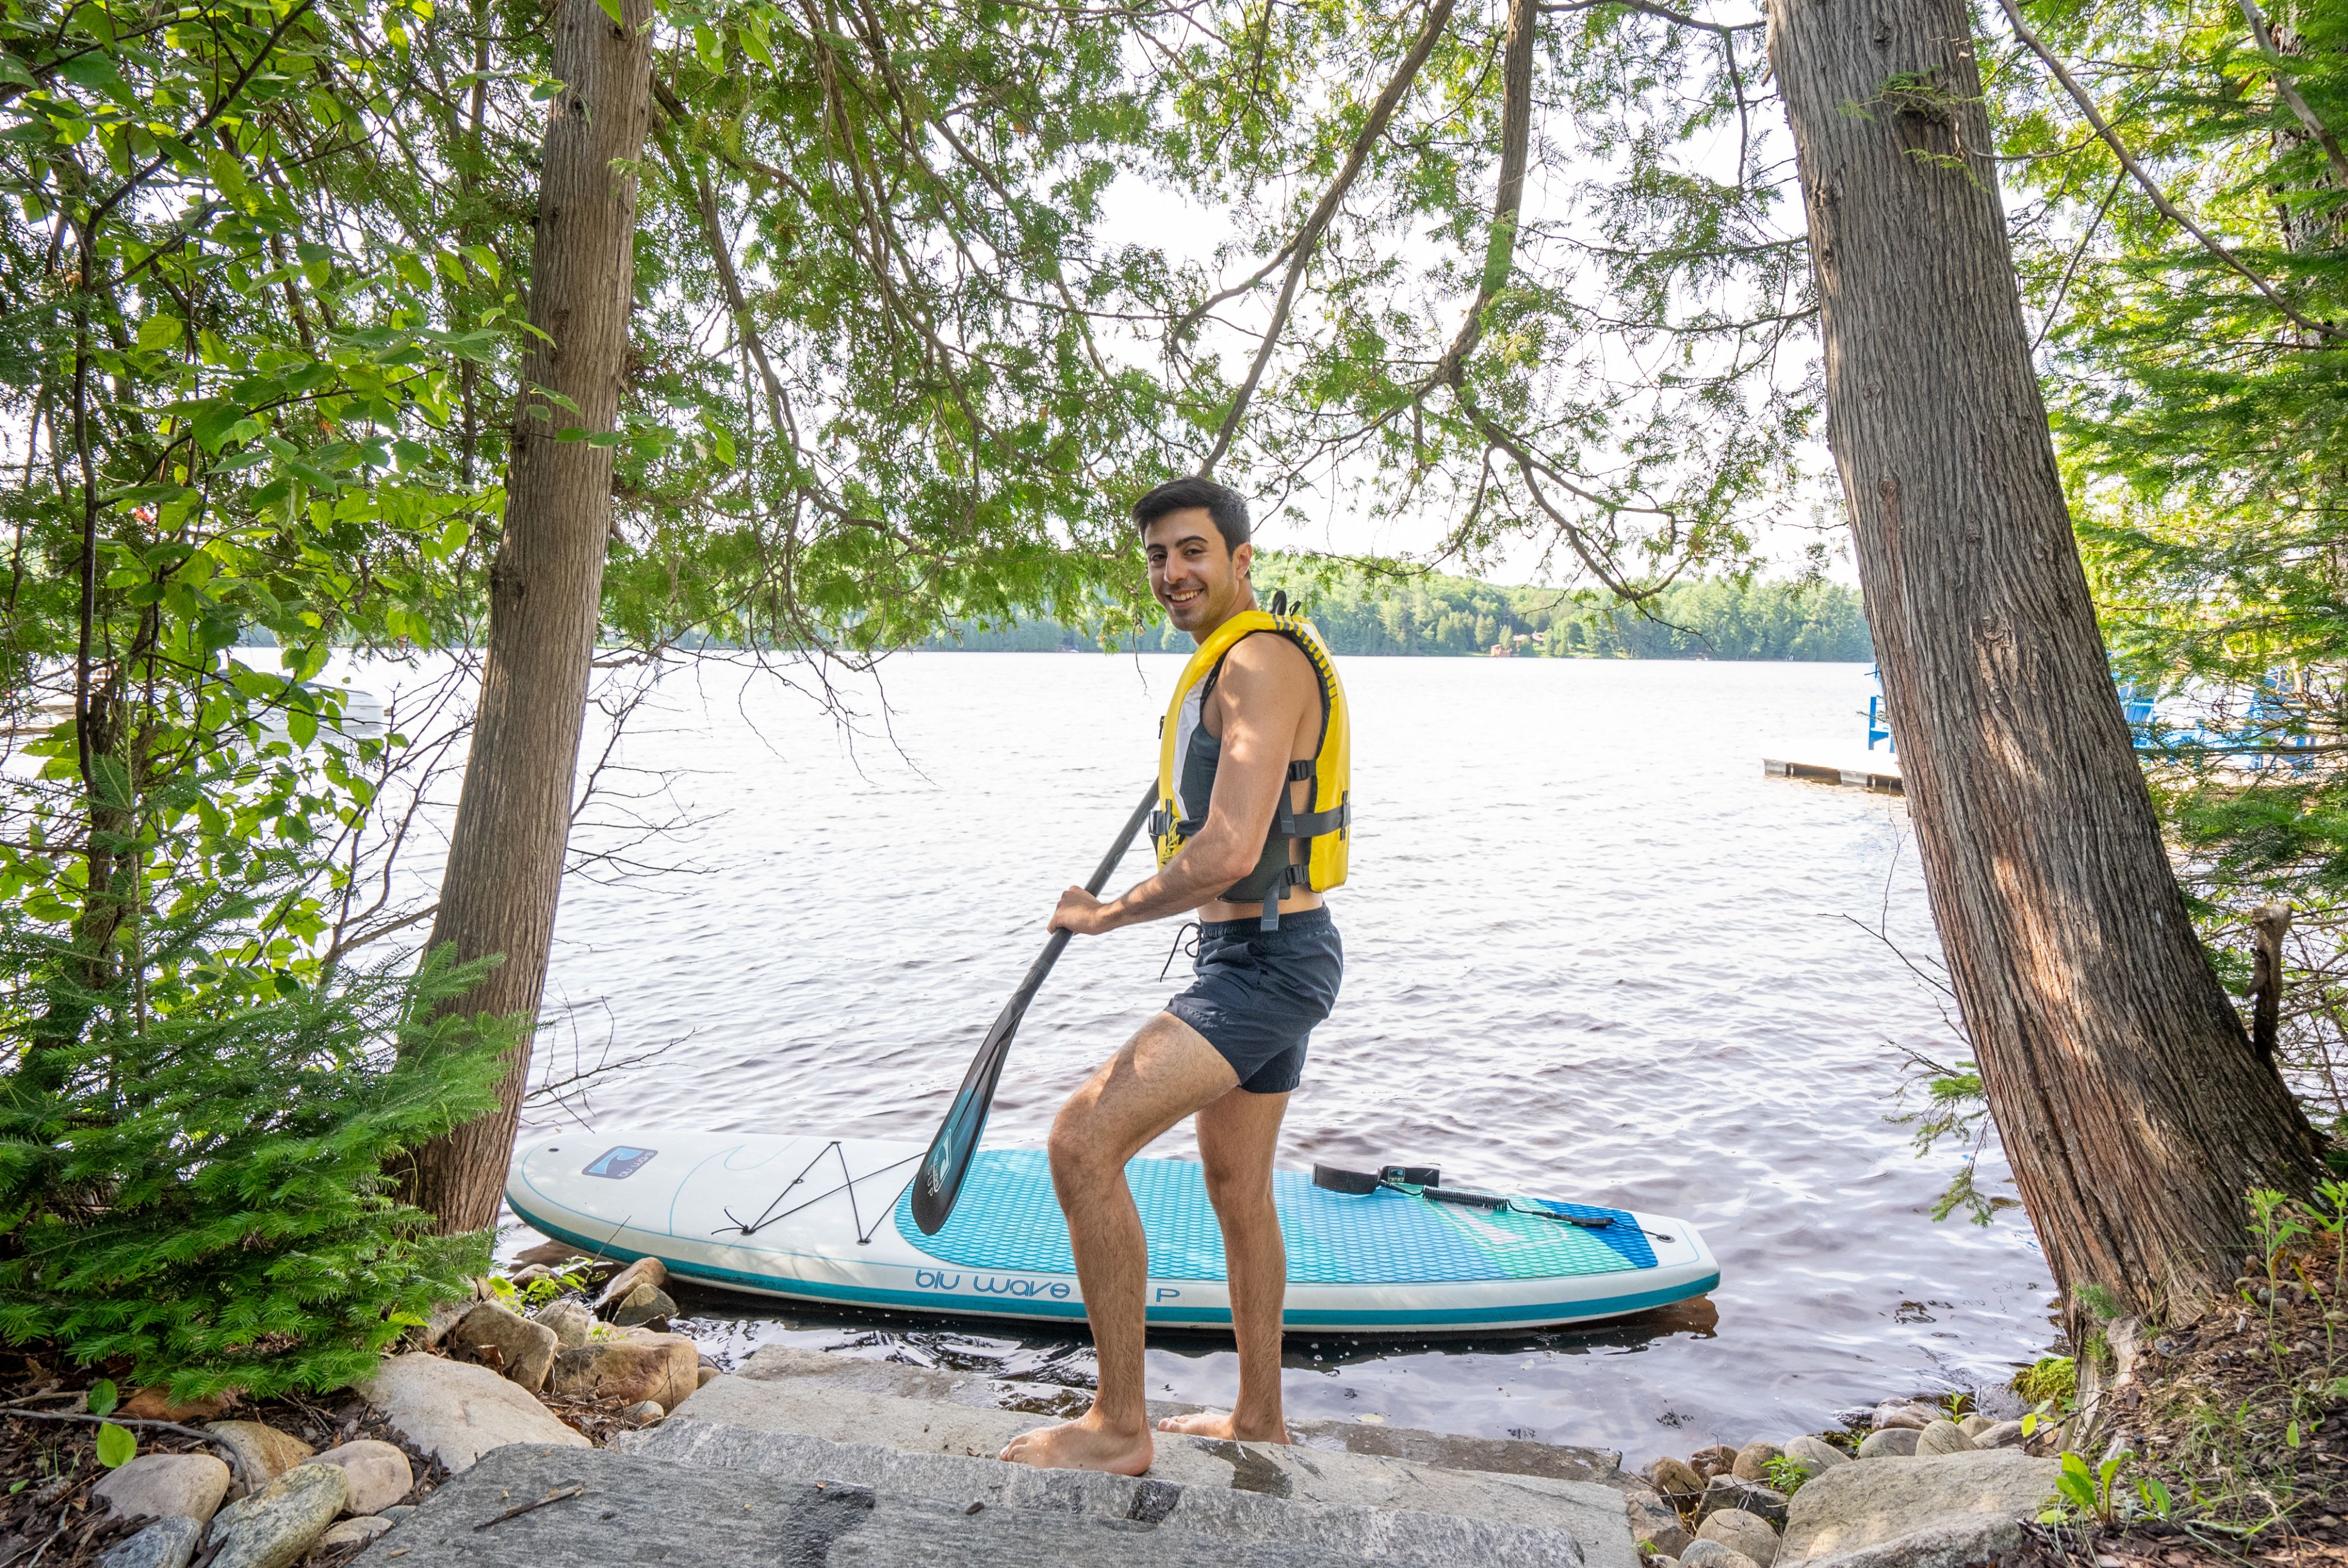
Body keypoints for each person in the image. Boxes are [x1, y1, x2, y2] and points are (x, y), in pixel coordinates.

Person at [999, 476, 1351, 1475]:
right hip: (1265, 953)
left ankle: (1119, 1426)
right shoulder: (1234, 663)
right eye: (1157, 556)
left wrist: (1105, 914)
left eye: (1192, 551)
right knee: (1238, 1186)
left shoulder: (1258, 663)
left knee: (1081, 1141)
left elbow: (1230, 851)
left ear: (1241, 559)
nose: (1172, 572)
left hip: (1266, 965)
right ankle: (1259, 1419)